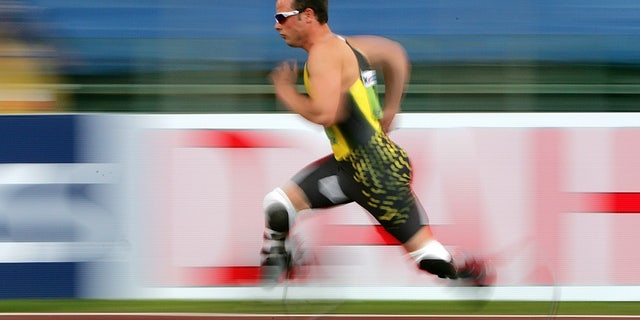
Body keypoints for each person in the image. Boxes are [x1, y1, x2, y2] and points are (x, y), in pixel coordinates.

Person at [261, 0, 491, 286]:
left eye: (282, 17)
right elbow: (394, 54)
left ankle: (278, 253)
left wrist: (286, 92)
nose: (276, 25)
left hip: (366, 171)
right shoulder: (350, 46)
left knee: (277, 204)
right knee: (427, 254)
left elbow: (325, 113)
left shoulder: (323, 55)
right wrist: (393, 106)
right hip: (370, 169)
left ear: (308, 15)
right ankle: (468, 273)